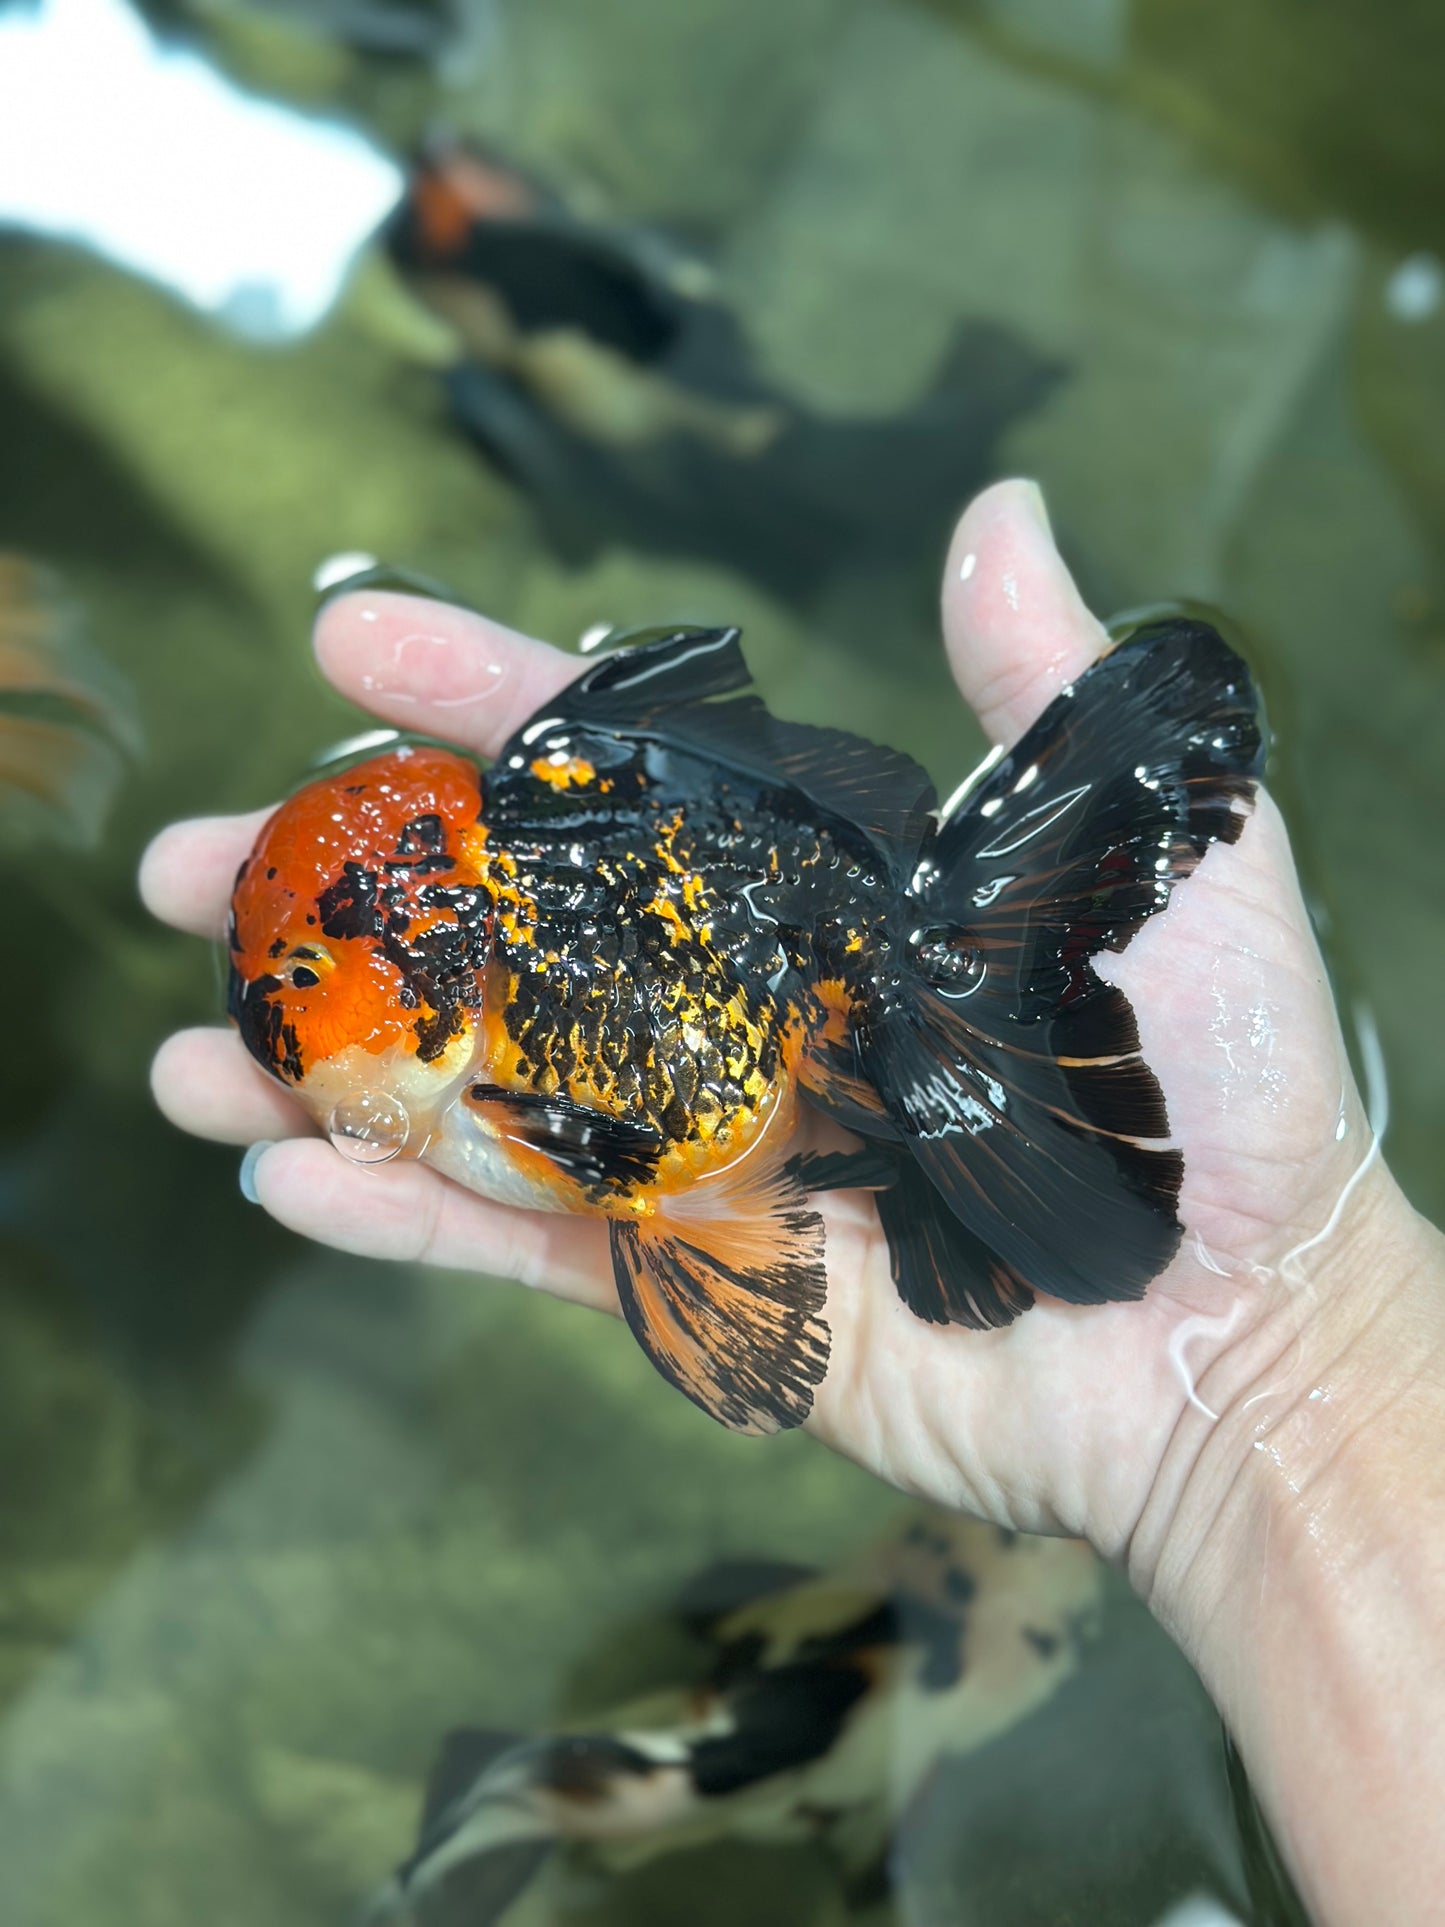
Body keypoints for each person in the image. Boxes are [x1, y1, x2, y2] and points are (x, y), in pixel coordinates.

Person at [140, 481, 1445, 1926]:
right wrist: (1285, 1370)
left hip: (778, 1034)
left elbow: (626, 1166)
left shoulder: (495, 1047)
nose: (277, 1014)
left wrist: (1283, 1344)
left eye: (302, 985)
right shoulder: (468, 974)